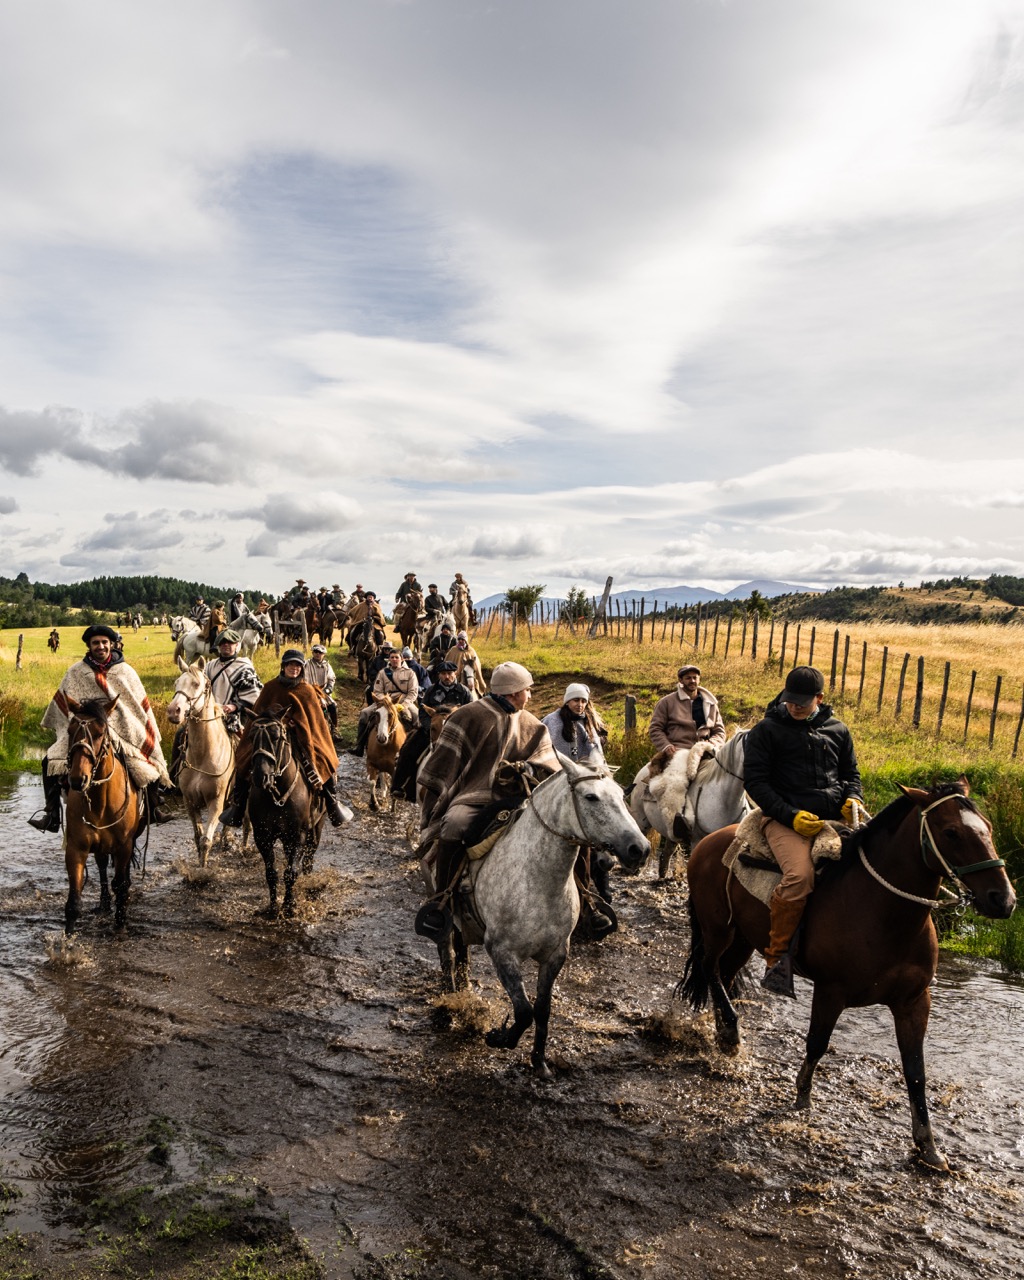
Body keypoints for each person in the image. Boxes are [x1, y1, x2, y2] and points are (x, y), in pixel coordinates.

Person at [415, 661, 562, 939]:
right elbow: (444, 762)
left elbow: (547, 760)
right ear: (512, 692)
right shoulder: (467, 716)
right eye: (526, 690)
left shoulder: (532, 723)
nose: (530, 695)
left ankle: (586, 902)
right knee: (454, 825)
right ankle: (442, 899)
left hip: (518, 799)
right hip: (473, 797)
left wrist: (530, 769)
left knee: (560, 833)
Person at [743, 666, 864, 996]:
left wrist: (852, 797)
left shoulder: (838, 730)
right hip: (783, 820)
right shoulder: (766, 730)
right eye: (790, 700)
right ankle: (777, 959)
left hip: (835, 819)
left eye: (802, 702)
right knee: (799, 877)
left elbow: (851, 774)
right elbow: (756, 783)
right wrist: (791, 815)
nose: (795, 706)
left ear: (819, 699)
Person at [29, 624, 172, 833]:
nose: (101, 646)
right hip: (87, 729)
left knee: (146, 766)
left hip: (122, 730)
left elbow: (136, 707)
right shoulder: (76, 671)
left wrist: (115, 723)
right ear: (89, 645)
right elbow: (66, 702)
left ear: (111, 644)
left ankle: (152, 808)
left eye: (105, 642)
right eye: (96, 643)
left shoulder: (125, 671)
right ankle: (52, 815)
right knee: (50, 760)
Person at [219, 649, 351, 828]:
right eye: (290, 665)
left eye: (297, 665)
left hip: (302, 738)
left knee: (323, 758)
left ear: (301, 668)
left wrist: (294, 724)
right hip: (271, 736)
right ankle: (238, 807)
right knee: (245, 760)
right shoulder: (270, 687)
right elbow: (259, 713)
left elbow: (314, 722)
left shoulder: (307, 690)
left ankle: (332, 803)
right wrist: (273, 722)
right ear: (283, 666)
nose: (294, 668)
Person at [169, 628, 263, 788]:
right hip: (210, 715)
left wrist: (234, 706)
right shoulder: (209, 666)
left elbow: (254, 696)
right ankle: (173, 779)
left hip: (235, 717)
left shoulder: (244, 666)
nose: (226, 646)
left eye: (230, 643)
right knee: (180, 735)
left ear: (237, 645)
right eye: (223, 643)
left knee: (248, 745)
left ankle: (248, 783)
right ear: (218, 646)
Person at [392, 661, 471, 801]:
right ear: (439, 675)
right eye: (443, 674)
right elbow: (422, 711)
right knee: (407, 751)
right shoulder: (431, 690)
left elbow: (472, 713)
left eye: (449, 674)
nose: (447, 677)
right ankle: (399, 787)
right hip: (432, 730)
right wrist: (430, 727)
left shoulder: (464, 691)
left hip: (457, 733)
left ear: (455, 674)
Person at [350, 649, 420, 757]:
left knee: (417, 716)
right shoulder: (383, 673)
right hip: (385, 701)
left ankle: (417, 748)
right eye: (392, 657)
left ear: (402, 659)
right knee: (364, 713)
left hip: (403, 701)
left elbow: (413, 692)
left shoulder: (410, 673)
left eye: (397, 657)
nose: (394, 659)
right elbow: (377, 690)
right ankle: (359, 745)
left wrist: (404, 704)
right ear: (389, 659)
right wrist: (384, 701)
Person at [648, 664, 726, 756]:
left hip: (706, 751)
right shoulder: (667, 702)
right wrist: (666, 746)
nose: (692, 681)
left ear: (699, 679)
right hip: (678, 751)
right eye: (688, 678)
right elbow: (655, 728)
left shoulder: (710, 703)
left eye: (695, 678)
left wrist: (713, 744)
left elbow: (719, 731)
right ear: (680, 680)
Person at [542, 683, 608, 766]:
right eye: (576, 700)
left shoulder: (588, 723)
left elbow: (595, 749)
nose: (580, 705)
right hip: (557, 769)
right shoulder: (552, 720)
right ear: (567, 702)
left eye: (583, 701)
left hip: (586, 772)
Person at [304, 644, 338, 733]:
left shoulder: (327, 665)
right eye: (315, 652)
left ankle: (334, 729)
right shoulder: (306, 664)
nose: (317, 654)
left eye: (320, 652)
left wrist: (329, 688)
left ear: (324, 654)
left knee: (332, 706)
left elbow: (331, 678)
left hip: (323, 693)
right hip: (308, 692)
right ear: (312, 652)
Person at [452, 630, 485, 695]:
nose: (460, 641)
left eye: (462, 639)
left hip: (470, 675)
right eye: (459, 639)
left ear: (465, 640)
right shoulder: (453, 650)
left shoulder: (471, 650)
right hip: (456, 676)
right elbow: (449, 661)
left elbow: (477, 665)